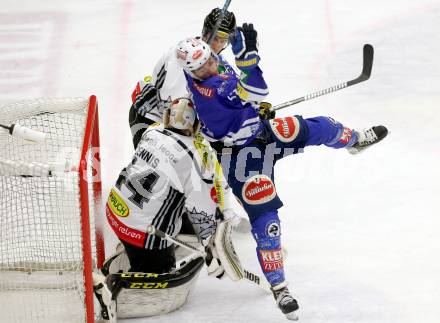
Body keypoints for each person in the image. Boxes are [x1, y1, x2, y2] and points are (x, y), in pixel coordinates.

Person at [175, 26, 388, 320]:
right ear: (192, 72)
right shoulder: (210, 93)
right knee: (267, 223)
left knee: (321, 126)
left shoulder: (201, 64)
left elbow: (240, 86)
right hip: (242, 158)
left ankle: (355, 141)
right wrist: (247, 58)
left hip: (259, 133)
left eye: (211, 60)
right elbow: (258, 89)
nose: (210, 68)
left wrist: (225, 39)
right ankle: (280, 286)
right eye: (202, 68)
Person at [105, 97, 241, 278]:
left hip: (114, 209)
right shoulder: (194, 156)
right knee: (162, 273)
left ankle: (133, 245)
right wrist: (212, 248)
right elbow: (202, 208)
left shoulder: (151, 131)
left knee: (170, 193)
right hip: (143, 233)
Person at [129, 7, 237, 148]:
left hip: (177, 122)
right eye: (215, 38)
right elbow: (175, 109)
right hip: (150, 117)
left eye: (223, 41)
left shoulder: (216, 62)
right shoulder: (186, 56)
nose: (218, 45)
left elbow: (236, 89)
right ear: (205, 33)